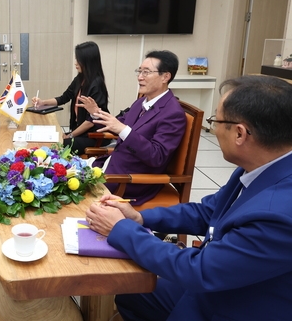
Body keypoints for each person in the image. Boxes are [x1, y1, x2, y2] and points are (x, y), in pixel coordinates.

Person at [85, 75, 292, 321]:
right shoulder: (260, 167)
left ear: (240, 133)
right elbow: (207, 212)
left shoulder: (278, 215)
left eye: (217, 121)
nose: (214, 130)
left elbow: (199, 270)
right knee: (131, 296)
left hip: (236, 302)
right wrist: (139, 217)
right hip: (221, 276)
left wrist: (121, 229)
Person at [78, 50, 186, 204]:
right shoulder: (142, 102)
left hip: (127, 182)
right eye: (139, 71)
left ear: (165, 76)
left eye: (146, 72)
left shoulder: (172, 113)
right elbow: (116, 124)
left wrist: (123, 130)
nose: (140, 77)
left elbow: (157, 156)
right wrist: (96, 114)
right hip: (111, 166)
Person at [31, 41, 110, 155]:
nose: (75, 63)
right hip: (80, 132)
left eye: (78, 60)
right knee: (49, 140)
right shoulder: (80, 78)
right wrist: (43, 102)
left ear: (87, 61)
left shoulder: (97, 85)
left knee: (55, 146)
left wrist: (70, 135)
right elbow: (64, 97)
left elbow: (90, 121)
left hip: (94, 136)